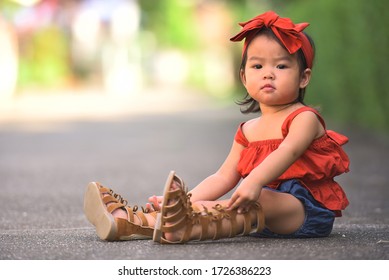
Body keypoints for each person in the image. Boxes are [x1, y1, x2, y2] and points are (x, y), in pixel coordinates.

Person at [83, 10, 350, 243]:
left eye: (281, 65)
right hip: (255, 213)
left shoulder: (303, 118)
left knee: (264, 199)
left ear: (303, 78)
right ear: (244, 77)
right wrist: (187, 200)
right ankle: (134, 221)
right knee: (213, 204)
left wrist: (256, 180)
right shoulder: (248, 130)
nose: (268, 73)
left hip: (302, 211)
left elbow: (288, 151)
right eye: (258, 65)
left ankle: (178, 224)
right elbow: (223, 177)